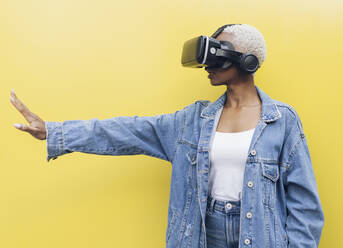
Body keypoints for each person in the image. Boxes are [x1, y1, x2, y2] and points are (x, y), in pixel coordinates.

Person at [10, 24, 324, 248]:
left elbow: (305, 207)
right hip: (202, 232)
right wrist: (55, 132)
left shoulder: (282, 120)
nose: (207, 65)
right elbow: (128, 131)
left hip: (260, 235)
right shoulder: (191, 120)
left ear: (247, 59)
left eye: (217, 52)